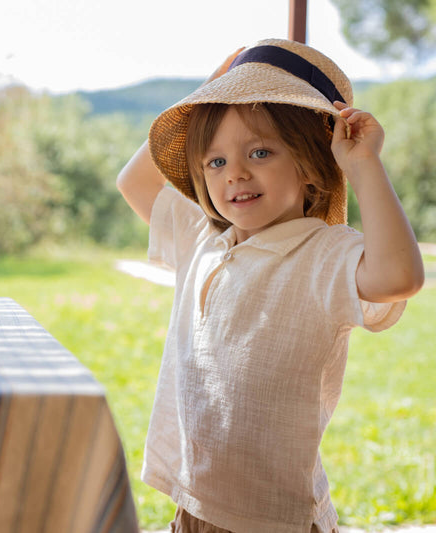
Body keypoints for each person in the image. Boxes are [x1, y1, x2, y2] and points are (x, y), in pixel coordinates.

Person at [116, 38, 424, 533]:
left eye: (260, 151)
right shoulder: (205, 239)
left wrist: (363, 164)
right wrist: (209, 90)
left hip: (272, 517)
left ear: (310, 166)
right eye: (214, 162)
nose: (234, 172)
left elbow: (399, 277)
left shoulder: (322, 253)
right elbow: (133, 182)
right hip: (193, 503)